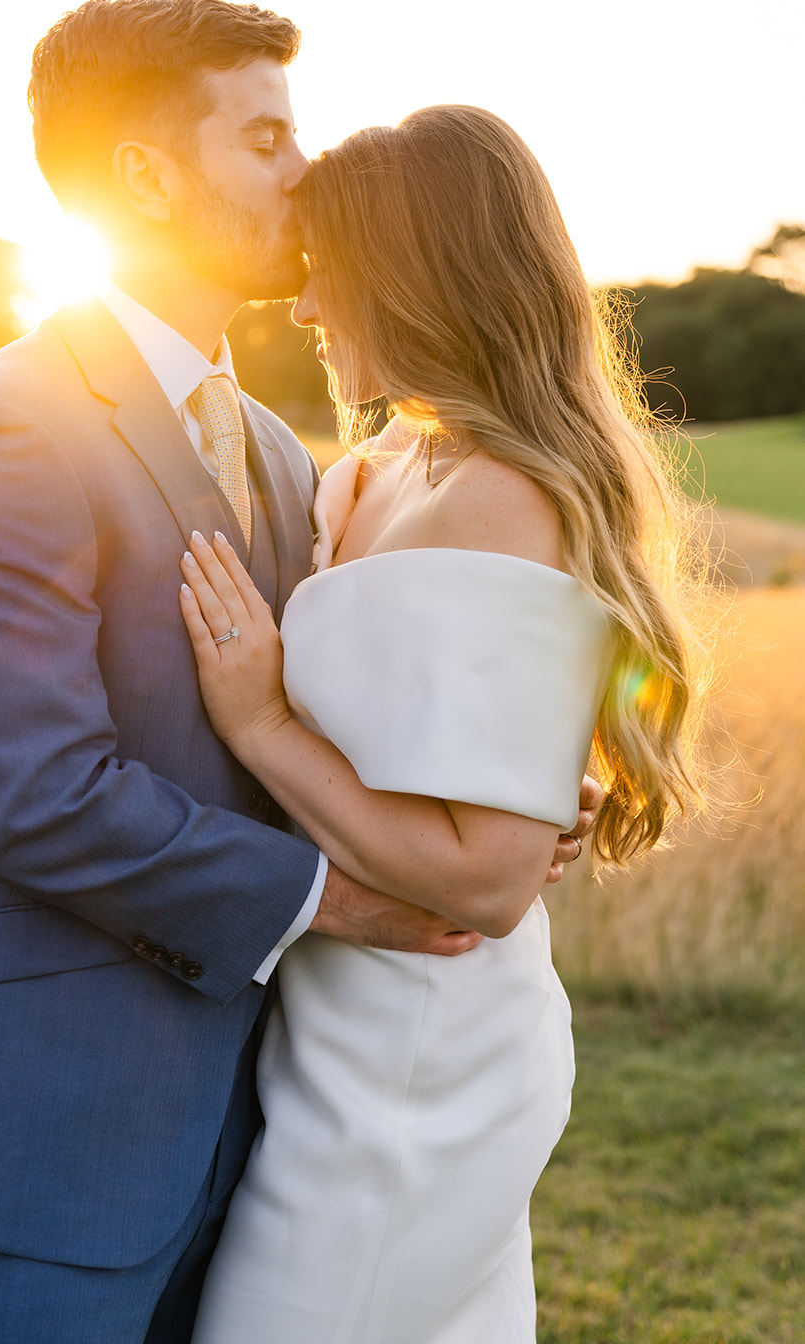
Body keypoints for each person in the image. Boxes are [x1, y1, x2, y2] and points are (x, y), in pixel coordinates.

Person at [0, 0, 594, 1344]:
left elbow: (326, 714)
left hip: (260, 1128)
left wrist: (501, 788)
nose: (303, 173)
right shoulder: (0, 437)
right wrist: (348, 898)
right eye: (263, 137)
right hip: (47, 1140)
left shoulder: (282, 452)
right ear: (145, 175)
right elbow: (38, 799)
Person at [177, 106, 712, 1343]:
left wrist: (259, 722)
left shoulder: (502, 500)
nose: (302, 307)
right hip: (328, 1044)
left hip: (420, 1062)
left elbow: (482, 882)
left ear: (413, 277)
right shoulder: (371, 471)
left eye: (328, 273)